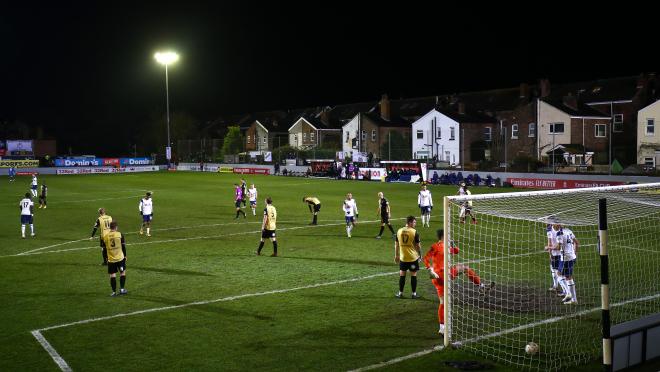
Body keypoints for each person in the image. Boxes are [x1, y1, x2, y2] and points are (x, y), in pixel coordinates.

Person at [424, 229, 494, 334]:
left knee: (442, 302)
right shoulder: (438, 246)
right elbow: (426, 258)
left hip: (436, 278)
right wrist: (430, 269)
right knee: (465, 268)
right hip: (444, 273)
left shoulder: (439, 246)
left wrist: (452, 243)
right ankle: (481, 286)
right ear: (444, 235)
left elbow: (456, 251)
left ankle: (442, 328)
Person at [548, 223, 579, 304]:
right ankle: (570, 296)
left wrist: (548, 248)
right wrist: (575, 254)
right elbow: (577, 243)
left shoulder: (559, 233)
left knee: (562, 275)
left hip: (565, 258)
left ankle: (572, 297)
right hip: (571, 256)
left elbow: (558, 247)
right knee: (564, 275)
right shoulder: (569, 231)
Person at [395, 216, 422, 299]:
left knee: (402, 275)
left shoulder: (399, 231)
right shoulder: (414, 232)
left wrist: (396, 255)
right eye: (414, 222)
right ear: (410, 222)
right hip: (413, 258)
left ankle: (400, 293)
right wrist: (420, 255)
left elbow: (396, 245)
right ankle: (414, 294)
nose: (415, 224)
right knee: (413, 275)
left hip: (403, 258)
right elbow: (418, 246)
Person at [104, 221, 128, 296]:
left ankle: (114, 292)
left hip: (111, 259)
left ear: (110, 228)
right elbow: (123, 246)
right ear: (116, 227)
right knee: (122, 272)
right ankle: (121, 289)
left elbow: (104, 249)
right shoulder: (120, 234)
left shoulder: (106, 236)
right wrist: (125, 256)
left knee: (112, 275)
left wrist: (106, 258)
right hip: (120, 258)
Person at [544, 221, 563, 295]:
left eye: (546, 221)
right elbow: (549, 242)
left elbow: (550, 243)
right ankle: (555, 286)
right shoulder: (549, 229)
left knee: (559, 272)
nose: (545, 222)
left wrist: (549, 250)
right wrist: (550, 252)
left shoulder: (552, 230)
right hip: (556, 252)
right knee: (553, 269)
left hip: (558, 253)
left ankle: (565, 291)